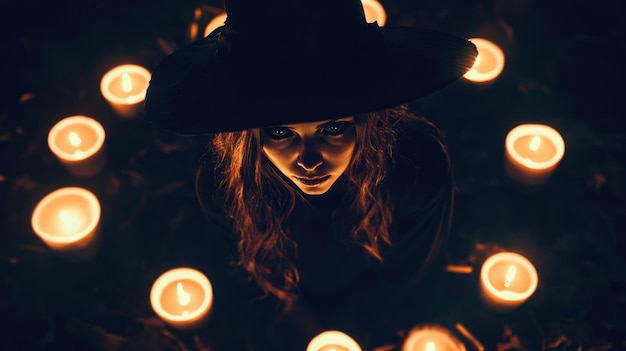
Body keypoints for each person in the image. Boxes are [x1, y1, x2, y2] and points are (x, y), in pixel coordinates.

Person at [145, 0, 476, 347]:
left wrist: (359, 320)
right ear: (248, 135)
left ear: (367, 120)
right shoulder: (223, 183)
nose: (308, 161)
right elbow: (241, 267)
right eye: (279, 132)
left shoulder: (416, 167)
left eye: (333, 128)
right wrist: (288, 309)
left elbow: (408, 272)